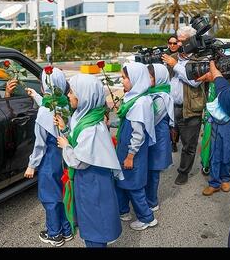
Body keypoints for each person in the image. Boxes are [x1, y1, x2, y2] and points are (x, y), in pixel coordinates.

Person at [55, 74, 123, 248]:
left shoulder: (90, 127)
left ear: (84, 95)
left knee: (95, 222)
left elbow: (80, 161)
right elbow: (80, 141)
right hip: (91, 180)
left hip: (92, 181)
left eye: (71, 92)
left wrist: (65, 146)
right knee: (92, 218)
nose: (68, 95)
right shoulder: (88, 115)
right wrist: (66, 129)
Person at [196, 61, 230, 247]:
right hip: (216, 122)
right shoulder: (217, 82)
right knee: (214, 152)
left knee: (229, 151)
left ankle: (225, 178)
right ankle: (214, 182)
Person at [23, 68, 72, 247]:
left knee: (49, 197)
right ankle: (66, 230)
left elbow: (40, 144)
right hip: (63, 156)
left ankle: (54, 234)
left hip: (49, 160)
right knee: (62, 192)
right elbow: (47, 103)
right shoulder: (64, 103)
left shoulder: (44, 112)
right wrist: (35, 95)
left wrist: (32, 165)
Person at [115, 62, 157, 231]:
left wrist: (130, 155)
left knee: (134, 186)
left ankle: (147, 217)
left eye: (125, 78)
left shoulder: (139, 103)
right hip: (129, 150)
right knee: (124, 181)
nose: (122, 80)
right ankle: (124, 211)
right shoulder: (139, 97)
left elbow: (138, 134)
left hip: (132, 153)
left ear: (136, 79)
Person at [162, 26, 206, 185]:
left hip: (190, 109)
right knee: (168, 137)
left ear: (191, 42)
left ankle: (183, 172)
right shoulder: (172, 57)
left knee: (189, 144)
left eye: (182, 41)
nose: (178, 44)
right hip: (171, 107)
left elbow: (195, 81)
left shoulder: (201, 59)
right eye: (177, 41)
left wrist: (175, 65)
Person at [146, 63, 174, 212]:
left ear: (160, 79)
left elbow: (150, 118)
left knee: (154, 170)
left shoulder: (162, 97)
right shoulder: (151, 93)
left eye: (150, 77)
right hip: (152, 135)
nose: (147, 80)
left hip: (158, 138)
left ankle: (152, 201)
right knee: (148, 169)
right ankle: (147, 197)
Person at [165, 35, 180, 152]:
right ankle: (173, 141)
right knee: (171, 119)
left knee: (178, 119)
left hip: (179, 90)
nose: (173, 45)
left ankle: (175, 139)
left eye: (175, 43)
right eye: (171, 43)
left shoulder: (182, 55)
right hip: (167, 90)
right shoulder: (163, 55)